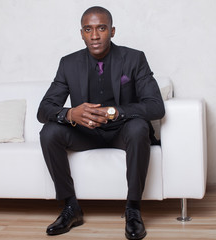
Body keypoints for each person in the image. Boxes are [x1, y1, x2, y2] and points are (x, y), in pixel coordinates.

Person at [37, 6, 165, 240]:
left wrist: (116, 112)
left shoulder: (134, 58)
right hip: (85, 133)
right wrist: (69, 114)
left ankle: (133, 210)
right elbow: (44, 109)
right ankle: (70, 207)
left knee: (139, 127)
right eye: (89, 29)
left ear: (112, 31)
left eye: (101, 28)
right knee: (49, 132)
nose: (95, 35)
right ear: (82, 33)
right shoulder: (68, 63)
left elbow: (156, 106)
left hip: (122, 131)